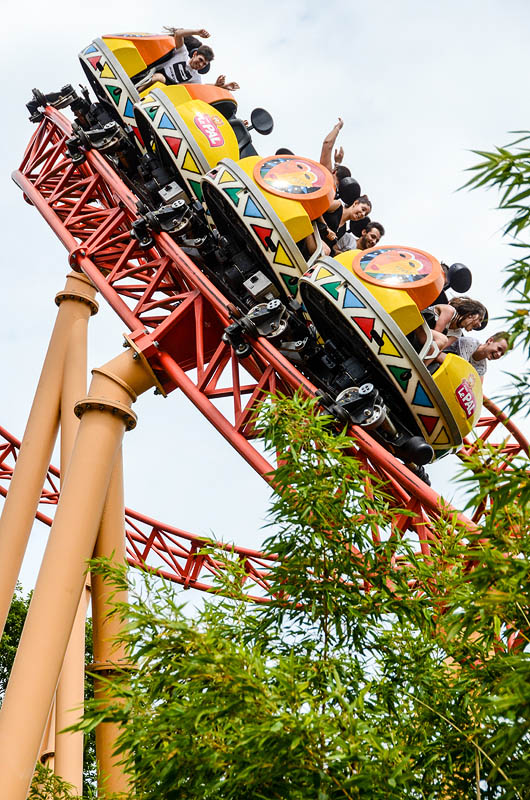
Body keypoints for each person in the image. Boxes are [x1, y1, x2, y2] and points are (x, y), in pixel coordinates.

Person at [137, 26, 239, 91]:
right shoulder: (182, 53)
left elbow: (203, 87)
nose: (201, 65)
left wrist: (220, 86)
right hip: (159, 74)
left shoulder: (195, 77)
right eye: (201, 60)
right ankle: (136, 91)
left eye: (204, 64)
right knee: (159, 78)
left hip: (169, 89)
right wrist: (197, 32)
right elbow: (178, 34)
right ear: (195, 54)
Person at [416, 296, 488, 363]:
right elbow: (432, 339)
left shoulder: (457, 333)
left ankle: (422, 366)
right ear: (471, 314)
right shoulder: (449, 311)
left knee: (449, 359)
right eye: (480, 319)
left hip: (425, 342)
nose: (479, 325)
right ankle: (421, 364)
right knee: (442, 340)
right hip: (417, 327)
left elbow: (439, 349)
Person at [442, 332, 511, 382]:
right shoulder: (469, 343)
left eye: (502, 354)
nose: (499, 354)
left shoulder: (482, 368)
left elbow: (475, 387)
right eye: (499, 349)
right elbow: (460, 370)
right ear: (490, 341)